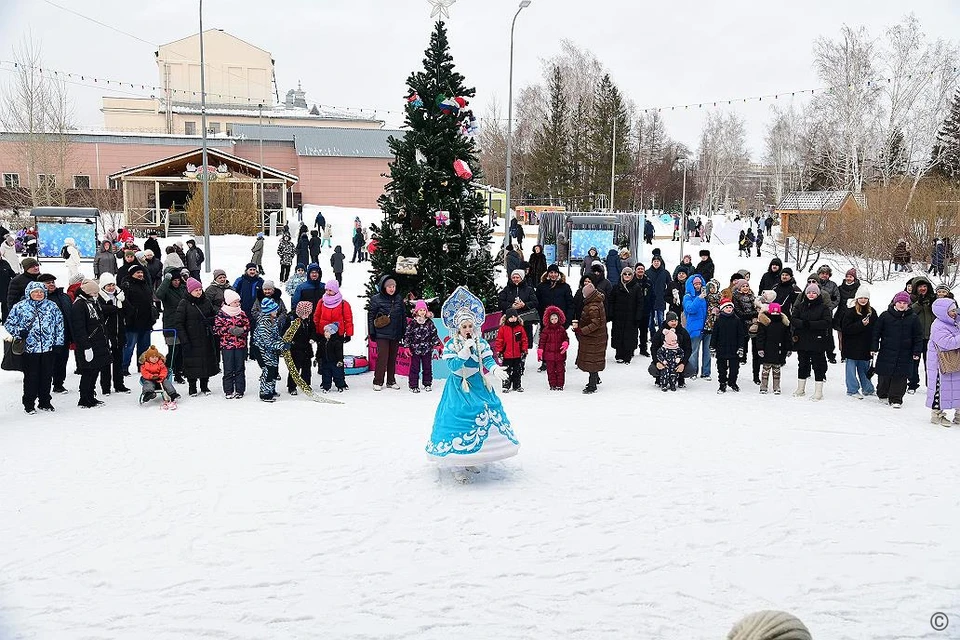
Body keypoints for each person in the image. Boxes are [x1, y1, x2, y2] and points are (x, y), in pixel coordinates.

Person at [425, 286, 515, 483]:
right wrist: (463, 353)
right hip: (459, 386)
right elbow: (452, 366)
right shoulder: (451, 345)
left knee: (481, 412)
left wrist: (494, 370)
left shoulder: (480, 342)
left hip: (477, 383)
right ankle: (457, 464)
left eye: (470, 326)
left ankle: (472, 456)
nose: (468, 330)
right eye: (464, 327)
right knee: (459, 417)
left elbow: (487, 360)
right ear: (458, 328)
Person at [3, 281, 65, 414]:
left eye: (41, 292)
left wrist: (59, 343)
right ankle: (29, 403)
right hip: (30, 349)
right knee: (31, 377)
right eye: (36, 292)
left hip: (48, 348)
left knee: (47, 376)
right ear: (29, 293)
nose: (39, 294)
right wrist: (19, 332)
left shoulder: (52, 306)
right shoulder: (20, 307)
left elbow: (59, 326)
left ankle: (45, 401)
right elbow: (8, 324)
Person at [872, 291, 923, 409]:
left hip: (905, 352)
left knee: (900, 376)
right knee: (884, 374)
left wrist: (916, 351)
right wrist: (874, 347)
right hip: (887, 350)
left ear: (908, 304)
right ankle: (883, 394)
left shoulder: (913, 318)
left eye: (904, 303)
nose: (902, 305)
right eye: (899, 302)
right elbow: (876, 332)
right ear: (895, 303)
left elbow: (918, 336)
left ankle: (896, 398)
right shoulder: (885, 315)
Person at [175, 278, 220, 397]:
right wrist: (184, 340)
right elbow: (179, 323)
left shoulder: (206, 301)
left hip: (205, 337)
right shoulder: (184, 303)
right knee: (192, 363)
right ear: (190, 291)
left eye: (200, 289)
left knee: (206, 361)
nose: (199, 292)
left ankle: (204, 385)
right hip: (191, 338)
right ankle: (192, 387)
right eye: (196, 290)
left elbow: (214, 316)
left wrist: (210, 321)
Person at [72, 279, 110, 408]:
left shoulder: (93, 302)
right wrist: (86, 346)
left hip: (98, 342)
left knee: (95, 371)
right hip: (88, 343)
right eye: (94, 293)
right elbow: (79, 328)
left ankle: (91, 396)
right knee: (88, 372)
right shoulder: (79, 305)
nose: (95, 295)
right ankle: (84, 398)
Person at [791, 283, 832, 401]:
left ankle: (818, 392)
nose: (811, 294)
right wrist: (802, 324)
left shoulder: (823, 307)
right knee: (802, 364)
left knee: (817, 365)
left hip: (817, 341)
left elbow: (827, 322)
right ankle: (800, 389)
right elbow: (793, 319)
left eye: (814, 292)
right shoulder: (800, 306)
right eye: (809, 292)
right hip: (802, 340)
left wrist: (810, 324)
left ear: (818, 294)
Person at [368, 275, 405, 390]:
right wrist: (372, 332)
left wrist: (403, 330)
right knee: (382, 357)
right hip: (381, 333)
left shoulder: (398, 298)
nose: (392, 288)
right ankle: (378, 381)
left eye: (393, 286)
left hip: (395, 333)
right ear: (384, 287)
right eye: (389, 286)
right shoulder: (376, 299)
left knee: (393, 357)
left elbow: (403, 316)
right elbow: (371, 316)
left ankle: (391, 380)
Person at [926, 297, 960, 426]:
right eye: (951, 310)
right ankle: (937, 415)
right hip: (940, 365)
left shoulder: (955, 321)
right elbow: (948, 343)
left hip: (954, 361)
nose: (954, 312)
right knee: (940, 389)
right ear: (942, 312)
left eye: (955, 309)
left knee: (958, 389)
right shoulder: (938, 326)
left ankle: (958, 415)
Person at [311, 280, 353, 380]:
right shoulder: (322, 302)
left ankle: (340, 379)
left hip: (338, 334)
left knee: (338, 355)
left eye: (331, 290)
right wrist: (316, 331)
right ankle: (325, 379)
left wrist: (349, 333)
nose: (328, 292)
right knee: (324, 354)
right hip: (323, 333)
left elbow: (348, 319)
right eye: (327, 290)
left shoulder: (343, 303)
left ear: (335, 290)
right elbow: (316, 317)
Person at [840, 286, 877, 399]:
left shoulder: (872, 312)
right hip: (851, 346)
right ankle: (852, 390)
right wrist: (860, 325)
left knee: (864, 370)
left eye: (865, 298)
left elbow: (876, 329)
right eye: (861, 297)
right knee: (851, 370)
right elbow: (845, 328)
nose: (863, 300)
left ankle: (868, 388)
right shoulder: (850, 311)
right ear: (857, 298)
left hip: (865, 346)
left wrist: (874, 346)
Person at [213, 289, 250, 399]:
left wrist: (242, 330)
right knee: (228, 368)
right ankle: (228, 390)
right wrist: (229, 330)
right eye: (235, 302)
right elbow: (217, 329)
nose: (238, 303)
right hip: (227, 346)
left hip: (240, 345)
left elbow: (248, 326)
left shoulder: (241, 313)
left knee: (240, 368)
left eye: (238, 301)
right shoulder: (221, 314)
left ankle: (240, 390)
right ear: (229, 302)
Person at [97, 273, 130, 395]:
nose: (111, 288)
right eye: (108, 285)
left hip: (119, 333)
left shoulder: (119, 296)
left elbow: (129, 312)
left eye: (112, 285)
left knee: (118, 361)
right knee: (106, 363)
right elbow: (100, 310)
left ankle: (119, 384)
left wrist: (123, 300)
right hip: (106, 335)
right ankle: (105, 387)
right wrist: (114, 308)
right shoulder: (99, 297)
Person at [252, 297, 290, 402]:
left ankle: (271, 390)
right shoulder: (264, 324)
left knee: (273, 368)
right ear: (269, 311)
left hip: (270, 350)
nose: (277, 311)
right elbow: (268, 342)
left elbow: (275, 336)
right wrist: (281, 345)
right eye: (274, 310)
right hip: (261, 349)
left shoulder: (273, 320)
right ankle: (265, 393)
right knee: (268, 370)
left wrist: (282, 342)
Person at [573, 279, 607, 394]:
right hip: (596, 337)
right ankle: (596, 378)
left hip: (594, 338)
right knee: (594, 359)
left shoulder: (592, 306)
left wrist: (582, 330)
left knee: (592, 360)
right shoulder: (596, 302)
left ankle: (592, 385)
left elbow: (595, 324)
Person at [119, 264, 154, 373]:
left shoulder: (145, 284)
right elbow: (124, 303)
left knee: (144, 347)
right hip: (132, 322)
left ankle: (141, 366)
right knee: (129, 346)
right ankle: (124, 367)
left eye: (141, 272)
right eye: (137, 273)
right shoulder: (126, 285)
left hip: (146, 321)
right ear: (132, 274)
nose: (140, 274)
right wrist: (129, 316)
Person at [157, 267, 187, 382]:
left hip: (182, 323)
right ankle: (167, 370)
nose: (176, 282)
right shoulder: (166, 290)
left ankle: (179, 372)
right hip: (170, 324)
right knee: (173, 350)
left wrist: (187, 279)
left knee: (181, 350)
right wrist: (166, 280)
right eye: (174, 280)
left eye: (178, 280)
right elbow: (158, 295)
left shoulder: (183, 288)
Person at [608, 267, 643, 364]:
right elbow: (611, 301)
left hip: (631, 317)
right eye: (625, 274)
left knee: (629, 336)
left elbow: (640, 303)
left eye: (629, 274)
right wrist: (611, 314)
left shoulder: (636, 287)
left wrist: (638, 316)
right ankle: (619, 354)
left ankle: (627, 356)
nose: (627, 276)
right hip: (618, 316)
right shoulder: (616, 287)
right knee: (618, 335)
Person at [402, 299, 439, 393]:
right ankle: (413, 385)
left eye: (424, 310)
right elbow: (407, 335)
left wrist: (437, 345)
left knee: (427, 367)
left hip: (427, 350)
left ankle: (427, 383)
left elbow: (434, 334)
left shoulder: (429, 323)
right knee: (415, 368)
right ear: (416, 311)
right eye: (420, 310)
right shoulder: (412, 323)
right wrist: (406, 347)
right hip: (415, 350)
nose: (422, 312)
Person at [755, 302, 791, 394]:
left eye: (777, 312)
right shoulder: (765, 323)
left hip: (779, 350)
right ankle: (763, 387)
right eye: (773, 312)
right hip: (767, 349)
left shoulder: (783, 324)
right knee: (765, 370)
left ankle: (776, 387)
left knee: (777, 370)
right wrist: (760, 348)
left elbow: (787, 338)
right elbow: (760, 337)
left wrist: (788, 348)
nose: (775, 314)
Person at [711, 298, 745, 393]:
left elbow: (741, 335)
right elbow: (714, 335)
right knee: (721, 369)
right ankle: (722, 384)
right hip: (721, 348)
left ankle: (732, 382)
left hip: (734, 349)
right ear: (722, 309)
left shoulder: (737, 320)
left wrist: (741, 347)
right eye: (727, 307)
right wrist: (712, 347)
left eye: (730, 307)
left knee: (734, 369)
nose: (729, 309)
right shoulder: (718, 320)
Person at [498, 268, 538, 350]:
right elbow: (500, 302)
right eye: (513, 277)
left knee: (524, 341)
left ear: (522, 278)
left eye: (517, 277)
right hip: (510, 321)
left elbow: (535, 302)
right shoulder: (506, 289)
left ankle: (523, 356)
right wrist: (511, 306)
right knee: (511, 341)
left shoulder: (529, 289)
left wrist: (524, 305)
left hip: (525, 320)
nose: (515, 279)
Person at [909, 277, 936, 394]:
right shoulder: (910, 298)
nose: (922, 289)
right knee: (914, 362)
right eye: (920, 286)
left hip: (930, 336)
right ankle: (912, 384)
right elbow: (908, 312)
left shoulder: (933, 299)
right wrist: (918, 304)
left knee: (930, 363)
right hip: (915, 337)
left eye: (924, 286)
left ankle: (931, 385)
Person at [284, 301, 316, 396]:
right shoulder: (291, 319)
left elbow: (313, 330)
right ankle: (292, 386)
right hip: (295, 348)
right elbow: (285, 332)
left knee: (307, 367)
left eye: (308, 314)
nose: (306, 316)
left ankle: (306, 384)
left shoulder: (309, 319)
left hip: (306, 347)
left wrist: (313, 337)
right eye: (304, 314)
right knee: (295, 368)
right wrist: (289, 342)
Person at [494, 308, 528, 393]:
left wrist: (524, 350)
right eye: (511, 317)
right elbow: (499, 340)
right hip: (507, 355)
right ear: (507, 318)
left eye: (514, 317)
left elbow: (524, 340)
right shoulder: (503, 328)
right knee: (506, 371)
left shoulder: (520, 328)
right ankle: (506, 386)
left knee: (517, 371)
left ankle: (517, 385)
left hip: (517, 354)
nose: (513, 318)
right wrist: (499, 351)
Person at [537, 305, 570, 390]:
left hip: (560, 354)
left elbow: (566, 338)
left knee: (560, 370)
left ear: (559, 318)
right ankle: (552, 384)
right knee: (550, 371)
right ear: (549, 320)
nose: (554, 321)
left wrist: (566, 343)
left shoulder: (561, 329)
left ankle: (560, 385)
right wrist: (540, 350)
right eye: (552, 319)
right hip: (549, 355)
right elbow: (542, 341)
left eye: (555, 318)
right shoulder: (546, 330)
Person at [684, 274, 709, 378]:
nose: (697, 286)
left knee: (707, 352)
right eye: (695, 284)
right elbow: (690, 309)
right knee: (694, 351)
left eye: (699, 283)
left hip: (707, 327)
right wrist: (699, 298)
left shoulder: (706, 297)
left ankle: (706, 372)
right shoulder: (688, 297)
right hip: (694, 328)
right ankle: (693, 372)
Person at [317, 321, 347, 393]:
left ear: (332, 333)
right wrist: (317, 358)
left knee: (338, 375)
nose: (325, 333)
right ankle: (326, 387)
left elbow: (339, 353)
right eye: (325, 331)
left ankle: (340, 385)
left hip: (335, 362)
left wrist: (340, 360)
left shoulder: (336, 342)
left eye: (327, 331)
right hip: (325, 362)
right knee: (326, 376)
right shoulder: (322, 342)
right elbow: (319, 351)